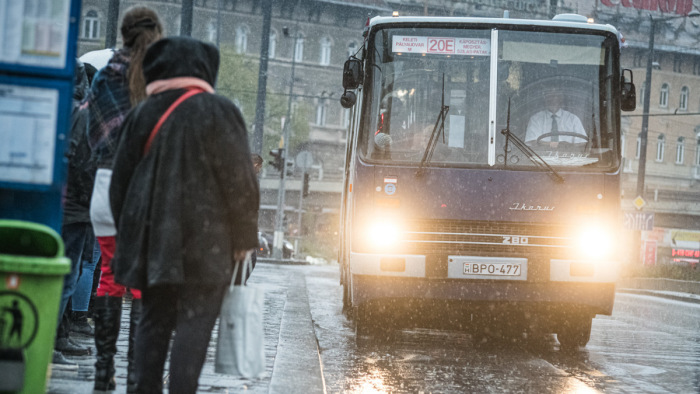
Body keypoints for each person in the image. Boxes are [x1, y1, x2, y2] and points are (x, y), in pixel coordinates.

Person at [109, 36, 259, 394]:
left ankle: (143, 387)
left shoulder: (142, 113)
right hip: (209, 243)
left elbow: (120, 184)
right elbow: (241, 182)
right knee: (194, 326)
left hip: (155, 243)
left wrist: (130, 233)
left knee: (152, 321)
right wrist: (242, 240)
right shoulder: (221, 111)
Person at [83, 6, 163, 392]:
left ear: (122, 33)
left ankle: (103, 373)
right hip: (143, 192)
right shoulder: (159, 79)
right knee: (141, 284)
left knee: (111, 277)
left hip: (106, 188)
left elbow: (91, 134)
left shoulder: (103, 78)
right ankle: (136, 372)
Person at [53, 59, 93, 365]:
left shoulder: (57, 105)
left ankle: (54, 335)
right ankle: (52, 337)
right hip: (76, 207)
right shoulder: (84, 114)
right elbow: (83, 162)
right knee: (68, 273)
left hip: (57, 202)